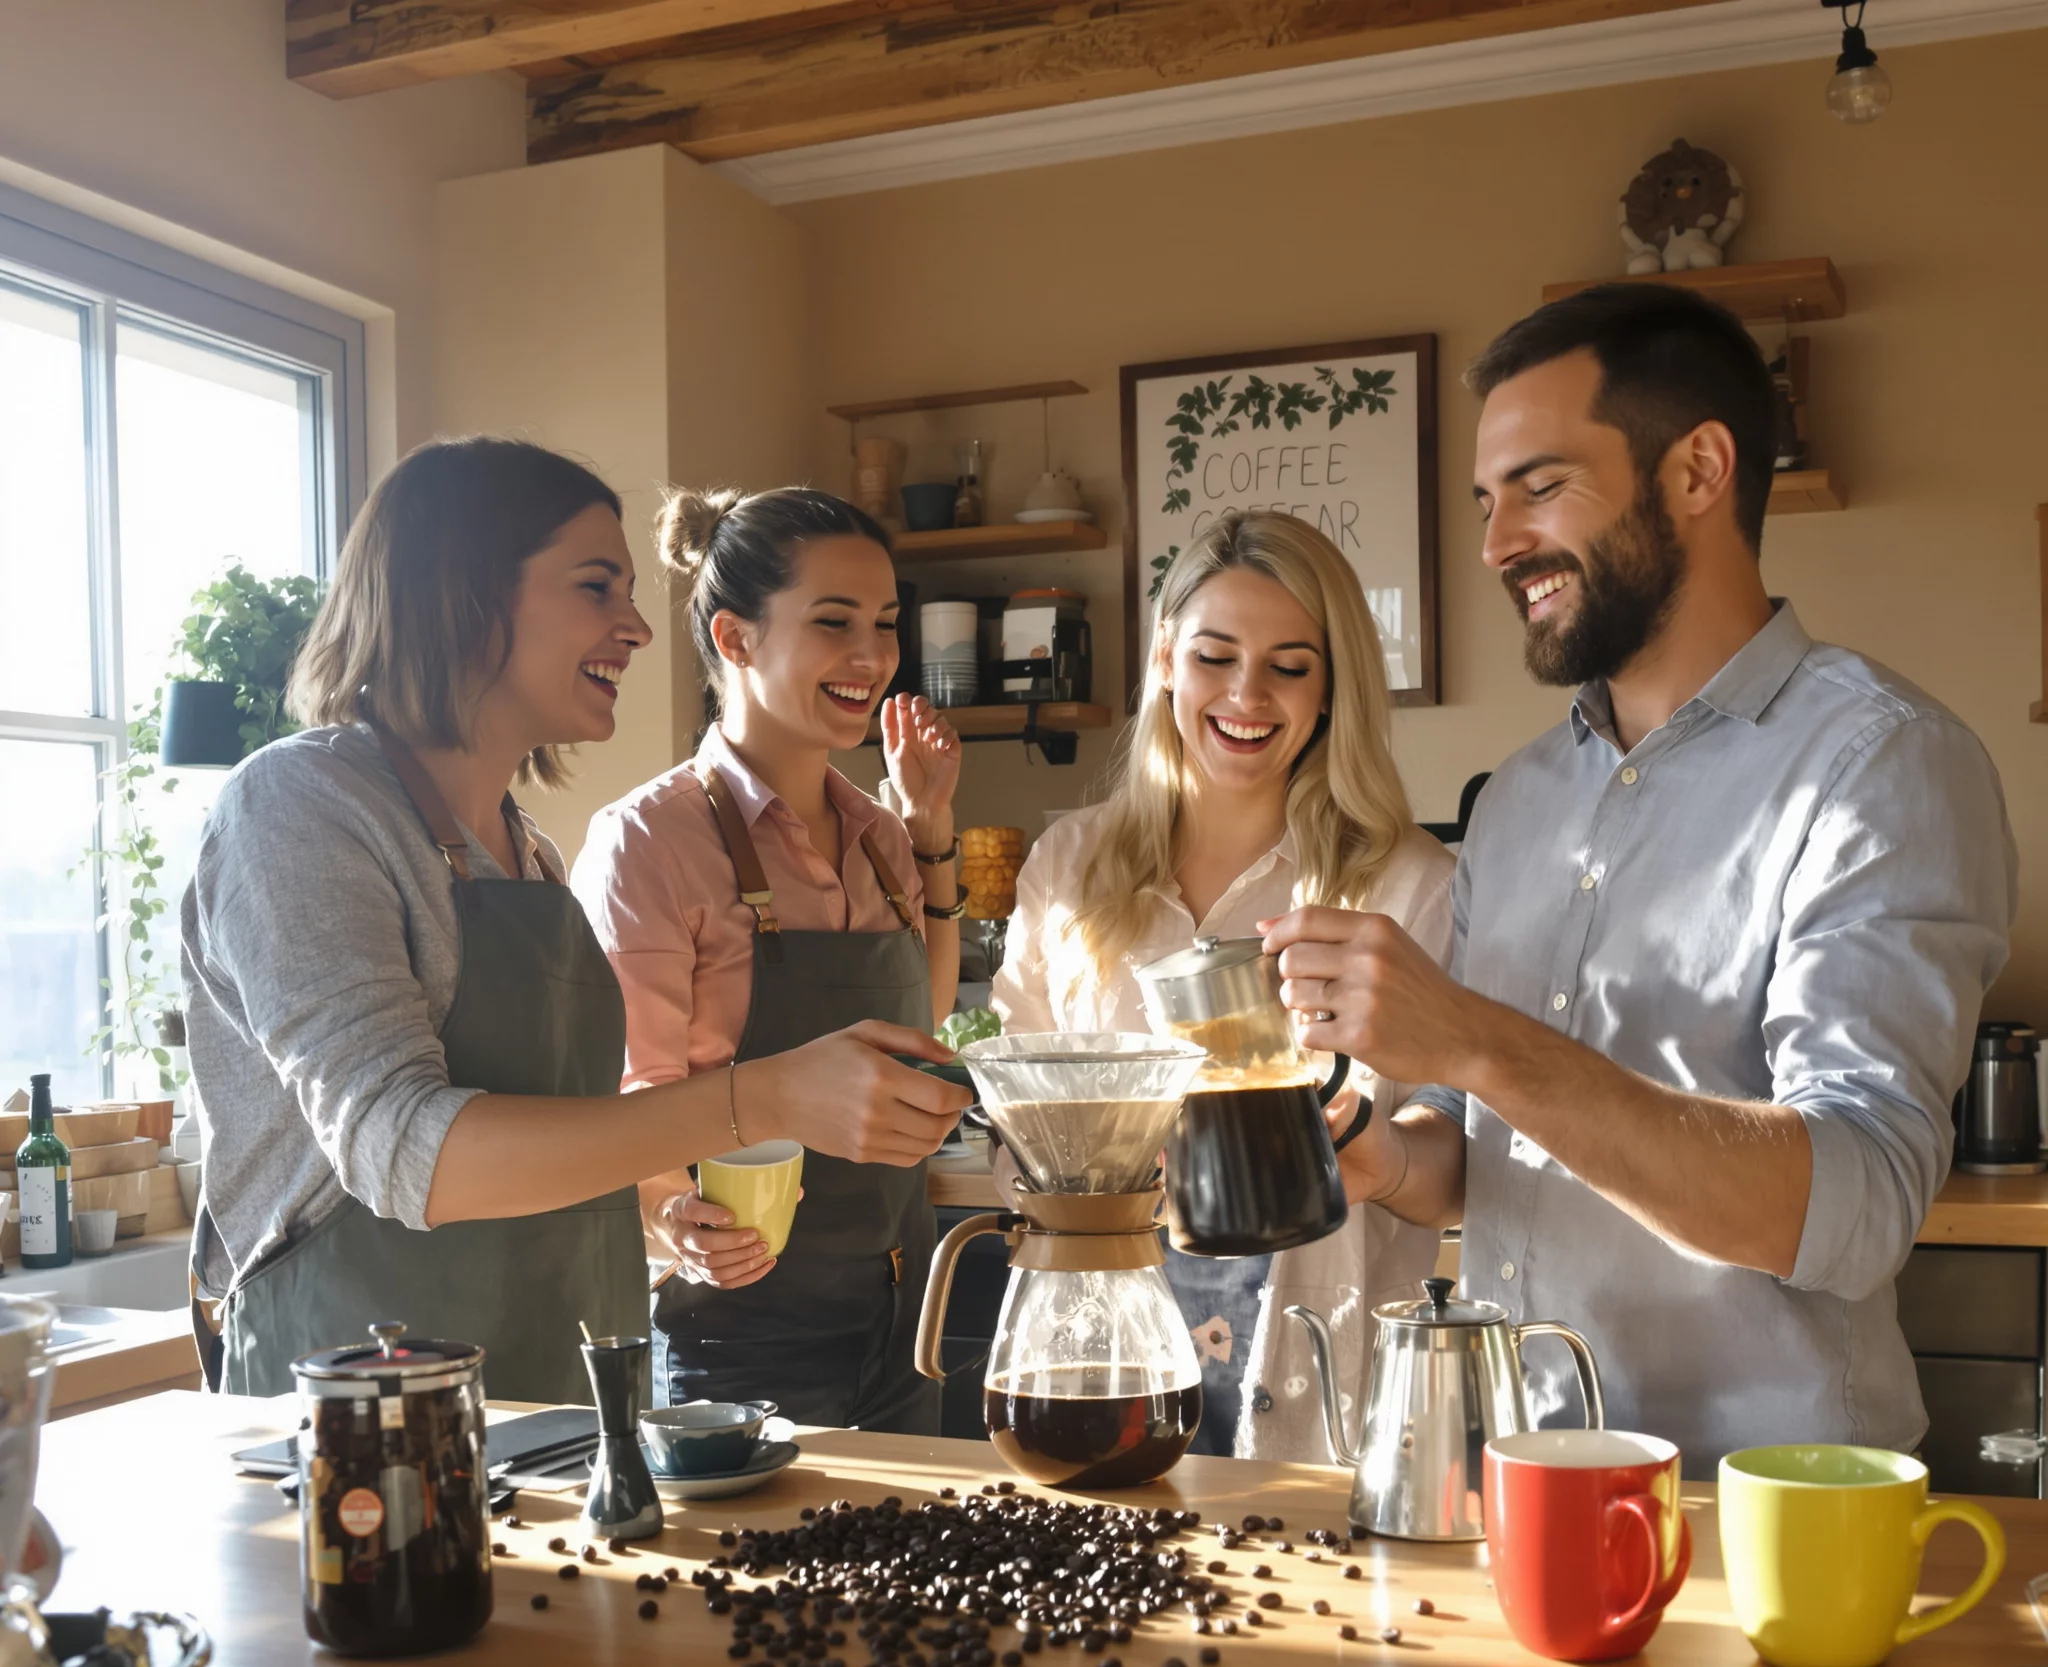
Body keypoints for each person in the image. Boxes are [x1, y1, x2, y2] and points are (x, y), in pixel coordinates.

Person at [1261, 284, 2015, 1473]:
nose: (1495, 542)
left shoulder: (1879, 764)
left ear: (1697, 471)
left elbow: (1855, 1202)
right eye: (1485, 498)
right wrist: (1386, 1158)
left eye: (1539, 485)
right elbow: (1478, 1150)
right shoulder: (1512, 801)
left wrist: (1474, 1038)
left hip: (1759, 1512)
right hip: (1515, 1482)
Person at [183, 440, 966, 1402]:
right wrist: (761, 1100)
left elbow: (588, 1156)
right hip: (358, 1419)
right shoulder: (299, 807)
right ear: (460, 593)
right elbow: (401, 1151)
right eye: (597, 587)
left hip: (546, 1404)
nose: (637, 628)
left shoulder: (529, 857)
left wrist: (668, 1213)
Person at [994, 511, 1453, 1458]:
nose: (1248, 694)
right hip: (1099, 1373)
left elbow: (1461, 1171)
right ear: (1165, 658)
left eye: (1290, 665)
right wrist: (1072, 1177)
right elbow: (1013, 1125)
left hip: (1323, 1397)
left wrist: (1378, 1152)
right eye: (1215, 655)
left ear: (1332, 690)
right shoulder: (1067, 869)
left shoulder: (1409, 888)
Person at [573, 487, 967, 1431]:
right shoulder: (650, 842)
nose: (871, 656)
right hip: (740, 1335)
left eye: (884, 623)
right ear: (737, 638)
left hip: (906, 1316)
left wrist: (932, 829)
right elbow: (618, 1105)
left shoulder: (879, 832)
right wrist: (671, 1217)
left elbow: (926, 1019)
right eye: (834, 622)